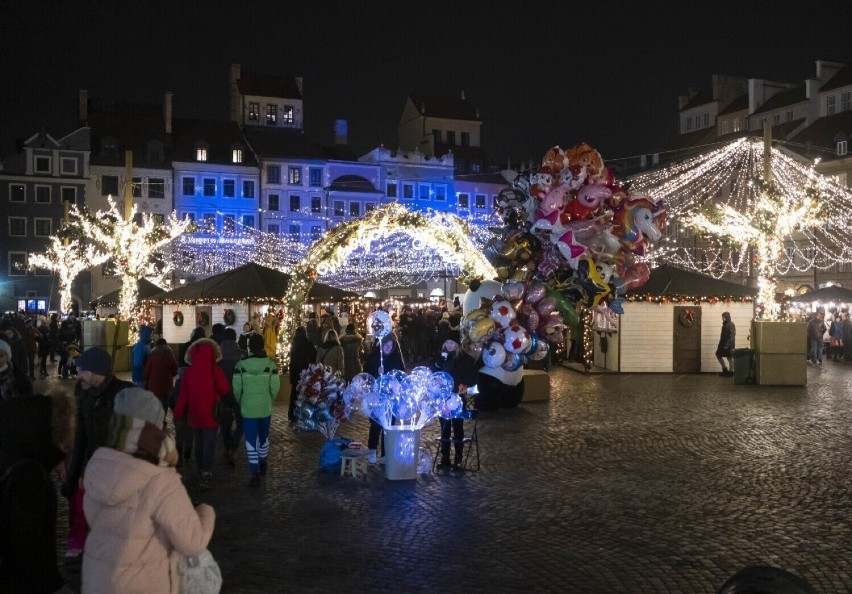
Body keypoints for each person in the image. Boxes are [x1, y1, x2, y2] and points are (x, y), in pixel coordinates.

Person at [82, 387, 216, 592]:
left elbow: (97, 519)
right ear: (155, 427)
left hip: (97, 581)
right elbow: (192, 542)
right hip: (143, 584)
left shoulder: (98, 464)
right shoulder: (160, 479)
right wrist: (205, 512)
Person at [60, 347, 133, 558]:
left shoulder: (124, 394)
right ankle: (84, 544)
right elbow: (80, 437)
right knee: (84, 508)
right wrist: (74, 476)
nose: (77, 374)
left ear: (95, 371)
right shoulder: (83, 393)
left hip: (117, 469)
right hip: (90, 466)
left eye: (81, 370)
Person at [0, 390, 75, 593]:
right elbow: (27, 540)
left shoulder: (11, 460)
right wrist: (54, 585)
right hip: (22, 582)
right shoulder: (29, 474)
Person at [174, 337, 231, 490]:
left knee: (198, 442)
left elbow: (183, 396)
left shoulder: (188, 372)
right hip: (211, 413)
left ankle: (200, 468)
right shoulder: (214, 369)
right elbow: (225, 389)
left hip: (194, 414)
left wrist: (178, 411)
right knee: (209, 444)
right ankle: (205, 471)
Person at [232, 333, 280, 487]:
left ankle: (255, 472)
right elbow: (275, 387)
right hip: (264, 406)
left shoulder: (241, 365)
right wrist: (269, 399)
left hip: (248, 408)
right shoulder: (270, 364)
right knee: (264, 435)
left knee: (251, 440)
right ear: (262, 345)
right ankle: (263, 461)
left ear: (249, 347)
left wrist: (242, 402)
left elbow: (236, 389)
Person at [431, 339, 479, 470]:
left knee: (458, 427)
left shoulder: (465, 359)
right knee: (444, 428)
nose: (449, 346)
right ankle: (444, 457)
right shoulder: (441, 357)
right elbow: (433, 371)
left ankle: (458, 457)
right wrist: (438, 363)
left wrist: (464, 384)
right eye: (446, 343)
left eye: (451, 343)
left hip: (457, 397)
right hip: (443, 397)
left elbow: (474, 377)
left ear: (457, 344)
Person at [364, 332, 406, 463]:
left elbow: (401, 374)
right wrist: (376, 372)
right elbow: (366, 374)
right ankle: (372, 450)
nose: (388, 347)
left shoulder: (396, 357)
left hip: (391, 396)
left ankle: (385, 454)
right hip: (376, 396)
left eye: (390, 344)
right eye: (385, 344)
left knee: (388, 425)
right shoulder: (374, 356)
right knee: (376, 424)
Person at [217, 327, 245, 467]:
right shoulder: (241, 355)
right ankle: (233, 446)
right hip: (239, 393)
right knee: (241, 423)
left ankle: (227, 446)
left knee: (225, 423)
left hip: (222, 394)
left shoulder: (217, 356)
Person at [287, 326, 317, 422]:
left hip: (296, 373)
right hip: (305, 372)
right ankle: (305, 414)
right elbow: (314, 356)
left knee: (294, 394)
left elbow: (292, 361)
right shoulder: (307, 343)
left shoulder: (294, 344)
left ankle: (292, 414)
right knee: (306, 394)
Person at [143, 338, 178, 416]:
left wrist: (145, 378)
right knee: (165, 402)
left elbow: (147, 370)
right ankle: (163, 418)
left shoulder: (152, 355)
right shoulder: (170, 354)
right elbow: (175, 370)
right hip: (167, 383)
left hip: (154, 384)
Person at [130, 324, 153, 388]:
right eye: (148, 334)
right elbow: (138, 365)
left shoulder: (146, 345)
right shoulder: (140, 347)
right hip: (140, 377)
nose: (150, 336)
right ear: (143, 335)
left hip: (143, 377)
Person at [716, 311, 736, 376]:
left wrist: (727, 344)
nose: (723, 318)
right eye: (722, 317)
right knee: (718, 355)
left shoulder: (731, 324)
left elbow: (732, 336)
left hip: (729, 345)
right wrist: (721, 344)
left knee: (729, 357)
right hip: (722, 344)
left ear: (727, 317)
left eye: (724, 317)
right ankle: (725, 369)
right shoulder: (725, 325)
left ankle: (731, 372)